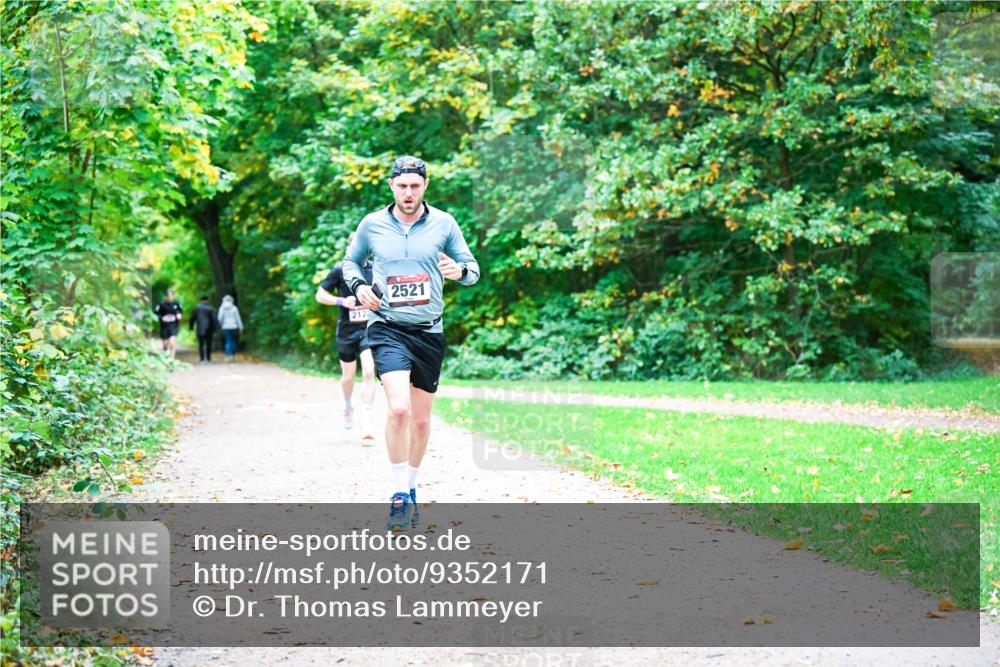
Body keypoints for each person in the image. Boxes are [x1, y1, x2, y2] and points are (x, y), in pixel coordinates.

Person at [343, 155, 480, 530]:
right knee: (399, 409)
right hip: (387, 327)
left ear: (425, 186)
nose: (408, 193)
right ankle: (398, 493)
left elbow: (472, 269)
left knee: (419, 421)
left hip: (429, 331)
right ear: (391, 185)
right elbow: (351, 262)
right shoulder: (372, 224)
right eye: (402, 186)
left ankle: (412, 486)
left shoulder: (444, 223)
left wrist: (459, 271)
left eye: (415, 186)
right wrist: (359, 286)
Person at [316, 233, 377, 441]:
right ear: (348, 250)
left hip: (368, 329)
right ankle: (348, 405)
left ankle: (366, 421)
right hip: (346, 331)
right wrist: (341, 301)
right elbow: (320, 295)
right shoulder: (340, 269)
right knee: (348, 377)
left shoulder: (375, 269)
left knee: (369, 372)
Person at [189, 295, 220, 363]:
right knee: (209, 344)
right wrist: (217, 329)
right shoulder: (211, 308)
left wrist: (191, 327)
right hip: (209, 329)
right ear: (207, 300)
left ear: (200, 301)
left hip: (200, 329)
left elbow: (192, 319)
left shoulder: (197, 308)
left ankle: (202, 359)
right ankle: (208, 358)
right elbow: (215, 320)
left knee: (201, 344)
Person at [154, 289, 182, 358]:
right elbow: (156, 313)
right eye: (168, 296)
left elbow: (180, 311)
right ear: (166, 296)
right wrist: (161, 318)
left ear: (173, 296)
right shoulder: (161, 304)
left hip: (173, 326)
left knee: (172, 343)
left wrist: (179, 315)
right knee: (165, 344)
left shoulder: (177, 304)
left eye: (171, 295)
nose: (170, 297)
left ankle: (172, 360)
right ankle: (166, 356)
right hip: (164, 326)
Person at [217, 295, 243, 362]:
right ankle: (233, 355)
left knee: (228, 340)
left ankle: (228, 355)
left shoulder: (222, 308)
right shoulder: (234, 308)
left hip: (225, 327)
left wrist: (219, 326)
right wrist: (241, 327)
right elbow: (238, 318)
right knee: (234, 341)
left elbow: (220, 318)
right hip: (234, 327)